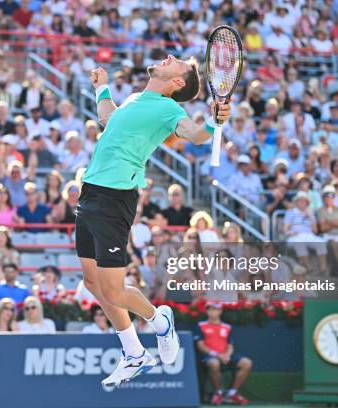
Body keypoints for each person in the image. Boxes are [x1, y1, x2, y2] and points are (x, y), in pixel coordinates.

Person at [78, 56, 230, 388]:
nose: (169, 57)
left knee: (114, 290)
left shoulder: (169, 110)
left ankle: (160, 321)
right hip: (90, 192)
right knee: (93, 284)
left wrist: (214, 124)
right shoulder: (136, 99)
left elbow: (194, 134)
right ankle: (134, 353)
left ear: (178, 82)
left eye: (177, 63)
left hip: (114, 197)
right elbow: (107, 117)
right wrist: (102, 85)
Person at [195, 303, 252, 405]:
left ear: (220, 311)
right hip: (209, 356)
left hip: (225, 355)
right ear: (207, 312)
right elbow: (200, 346)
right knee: (214, 363)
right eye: (210, 310)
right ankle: (219, 393)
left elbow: (230, 346)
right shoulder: (201, 325)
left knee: (246, 363)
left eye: (215, 310)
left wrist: (227, 355)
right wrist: (217, 355)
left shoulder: (227, 327)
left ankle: (232, 393)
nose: (212, 312)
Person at [283, 192, 328, 274]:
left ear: (307, 203)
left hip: (309, 235)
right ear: (296, 202)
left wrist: (310, 217)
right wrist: (290, 232)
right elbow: (285, 229)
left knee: (321, 242)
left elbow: (315, 231)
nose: (302, 203)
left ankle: (323, 269)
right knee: (299, 243)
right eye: (300, 201)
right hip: (295, 235)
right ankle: (309, 269)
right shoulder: (290, 212)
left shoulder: (310, 213)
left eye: (304, 201)